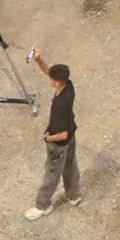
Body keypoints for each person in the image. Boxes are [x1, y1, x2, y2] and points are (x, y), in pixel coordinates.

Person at [27, 60, 79, 216]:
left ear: (56, 82)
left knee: (51, 174)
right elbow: (49, 71)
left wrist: (48, 138)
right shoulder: (68, 85)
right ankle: (74, 195)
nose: (48, 79)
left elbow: (63, 134)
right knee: (70, 166)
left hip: (59, 144)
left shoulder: (60, 105)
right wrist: (38, 60)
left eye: (50, 78)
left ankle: (42, 206)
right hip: (71, 136)